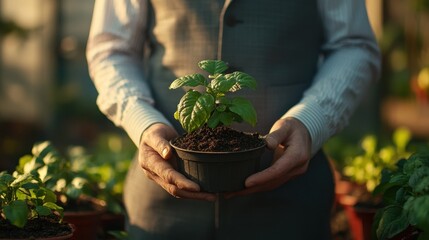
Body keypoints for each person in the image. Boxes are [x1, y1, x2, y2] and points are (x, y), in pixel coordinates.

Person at [86, 0, 381, 239]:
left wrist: (310, 120)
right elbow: (111, 49)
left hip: (289, 207)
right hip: (161, 209)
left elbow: (353, 45)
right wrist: (143, 122)